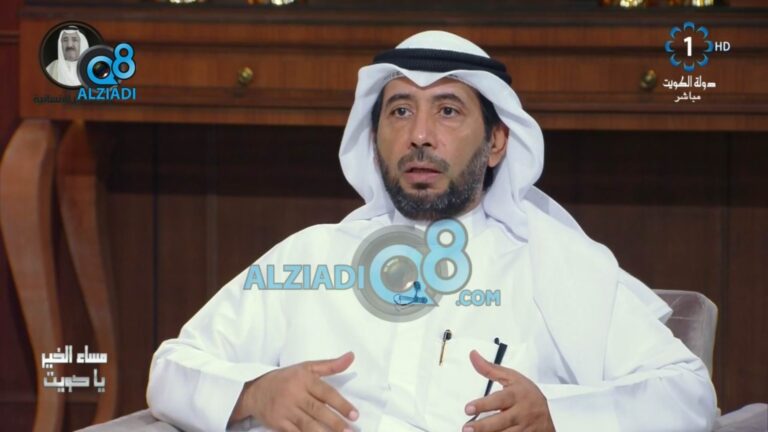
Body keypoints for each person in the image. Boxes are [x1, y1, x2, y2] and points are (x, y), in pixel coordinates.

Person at [146, 30, 717, 432]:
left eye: (447, 111)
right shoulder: (311, 257)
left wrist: (557, 415)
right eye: (400, 111)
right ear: (374, 139)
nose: (420, 135)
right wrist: (255, 393)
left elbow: (687, 393)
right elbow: (173, 366)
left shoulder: (554, 263)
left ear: (497, 142)